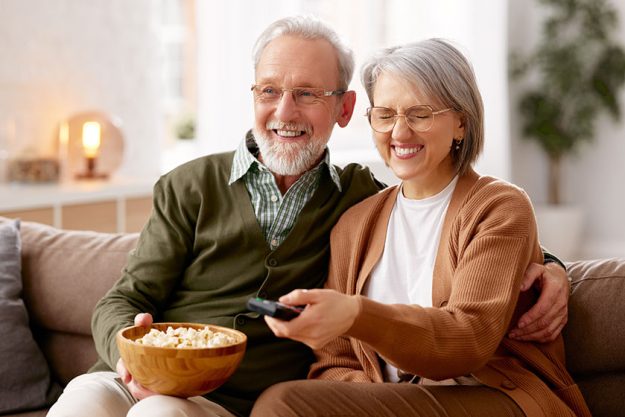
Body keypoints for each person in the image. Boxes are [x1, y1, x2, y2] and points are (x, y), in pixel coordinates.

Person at [47, 17, 570, 417]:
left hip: (226, 403)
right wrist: (134, 358)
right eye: (270, 91)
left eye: (307, 94)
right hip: (140, 375)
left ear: (342, 110)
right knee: (84, 402)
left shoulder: (353, 197)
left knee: (166, 414)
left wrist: (551, 268)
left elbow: (482, 254)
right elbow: (125, 298)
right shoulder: (203, 188)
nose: (284, 112)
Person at [254, 39, 591, 417]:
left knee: (282, 404)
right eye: (385, 114)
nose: (399, 132)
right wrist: (369, 400)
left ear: (461, 122)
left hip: (494, 397)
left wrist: (356, 314)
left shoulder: (498, 205)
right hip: (401, 405)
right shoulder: (355, 224)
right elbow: (335, 363)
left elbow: (468, 338)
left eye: (420, 114)